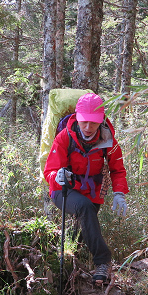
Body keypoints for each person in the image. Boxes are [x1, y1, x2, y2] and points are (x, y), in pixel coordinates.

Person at [43, 92, 129, 284]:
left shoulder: (108, 140)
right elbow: (49, 171)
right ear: (77, 118)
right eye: (84, 122)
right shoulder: (64, 137)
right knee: (84, 208)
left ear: (101, 121)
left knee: (80, 233)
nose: (88, 127)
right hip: (62, 190)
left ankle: (73, 273)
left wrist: (119, 193)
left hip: (91, 192)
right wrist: (56, 176)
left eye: (93, 122)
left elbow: (117, 169)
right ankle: (103, 262)